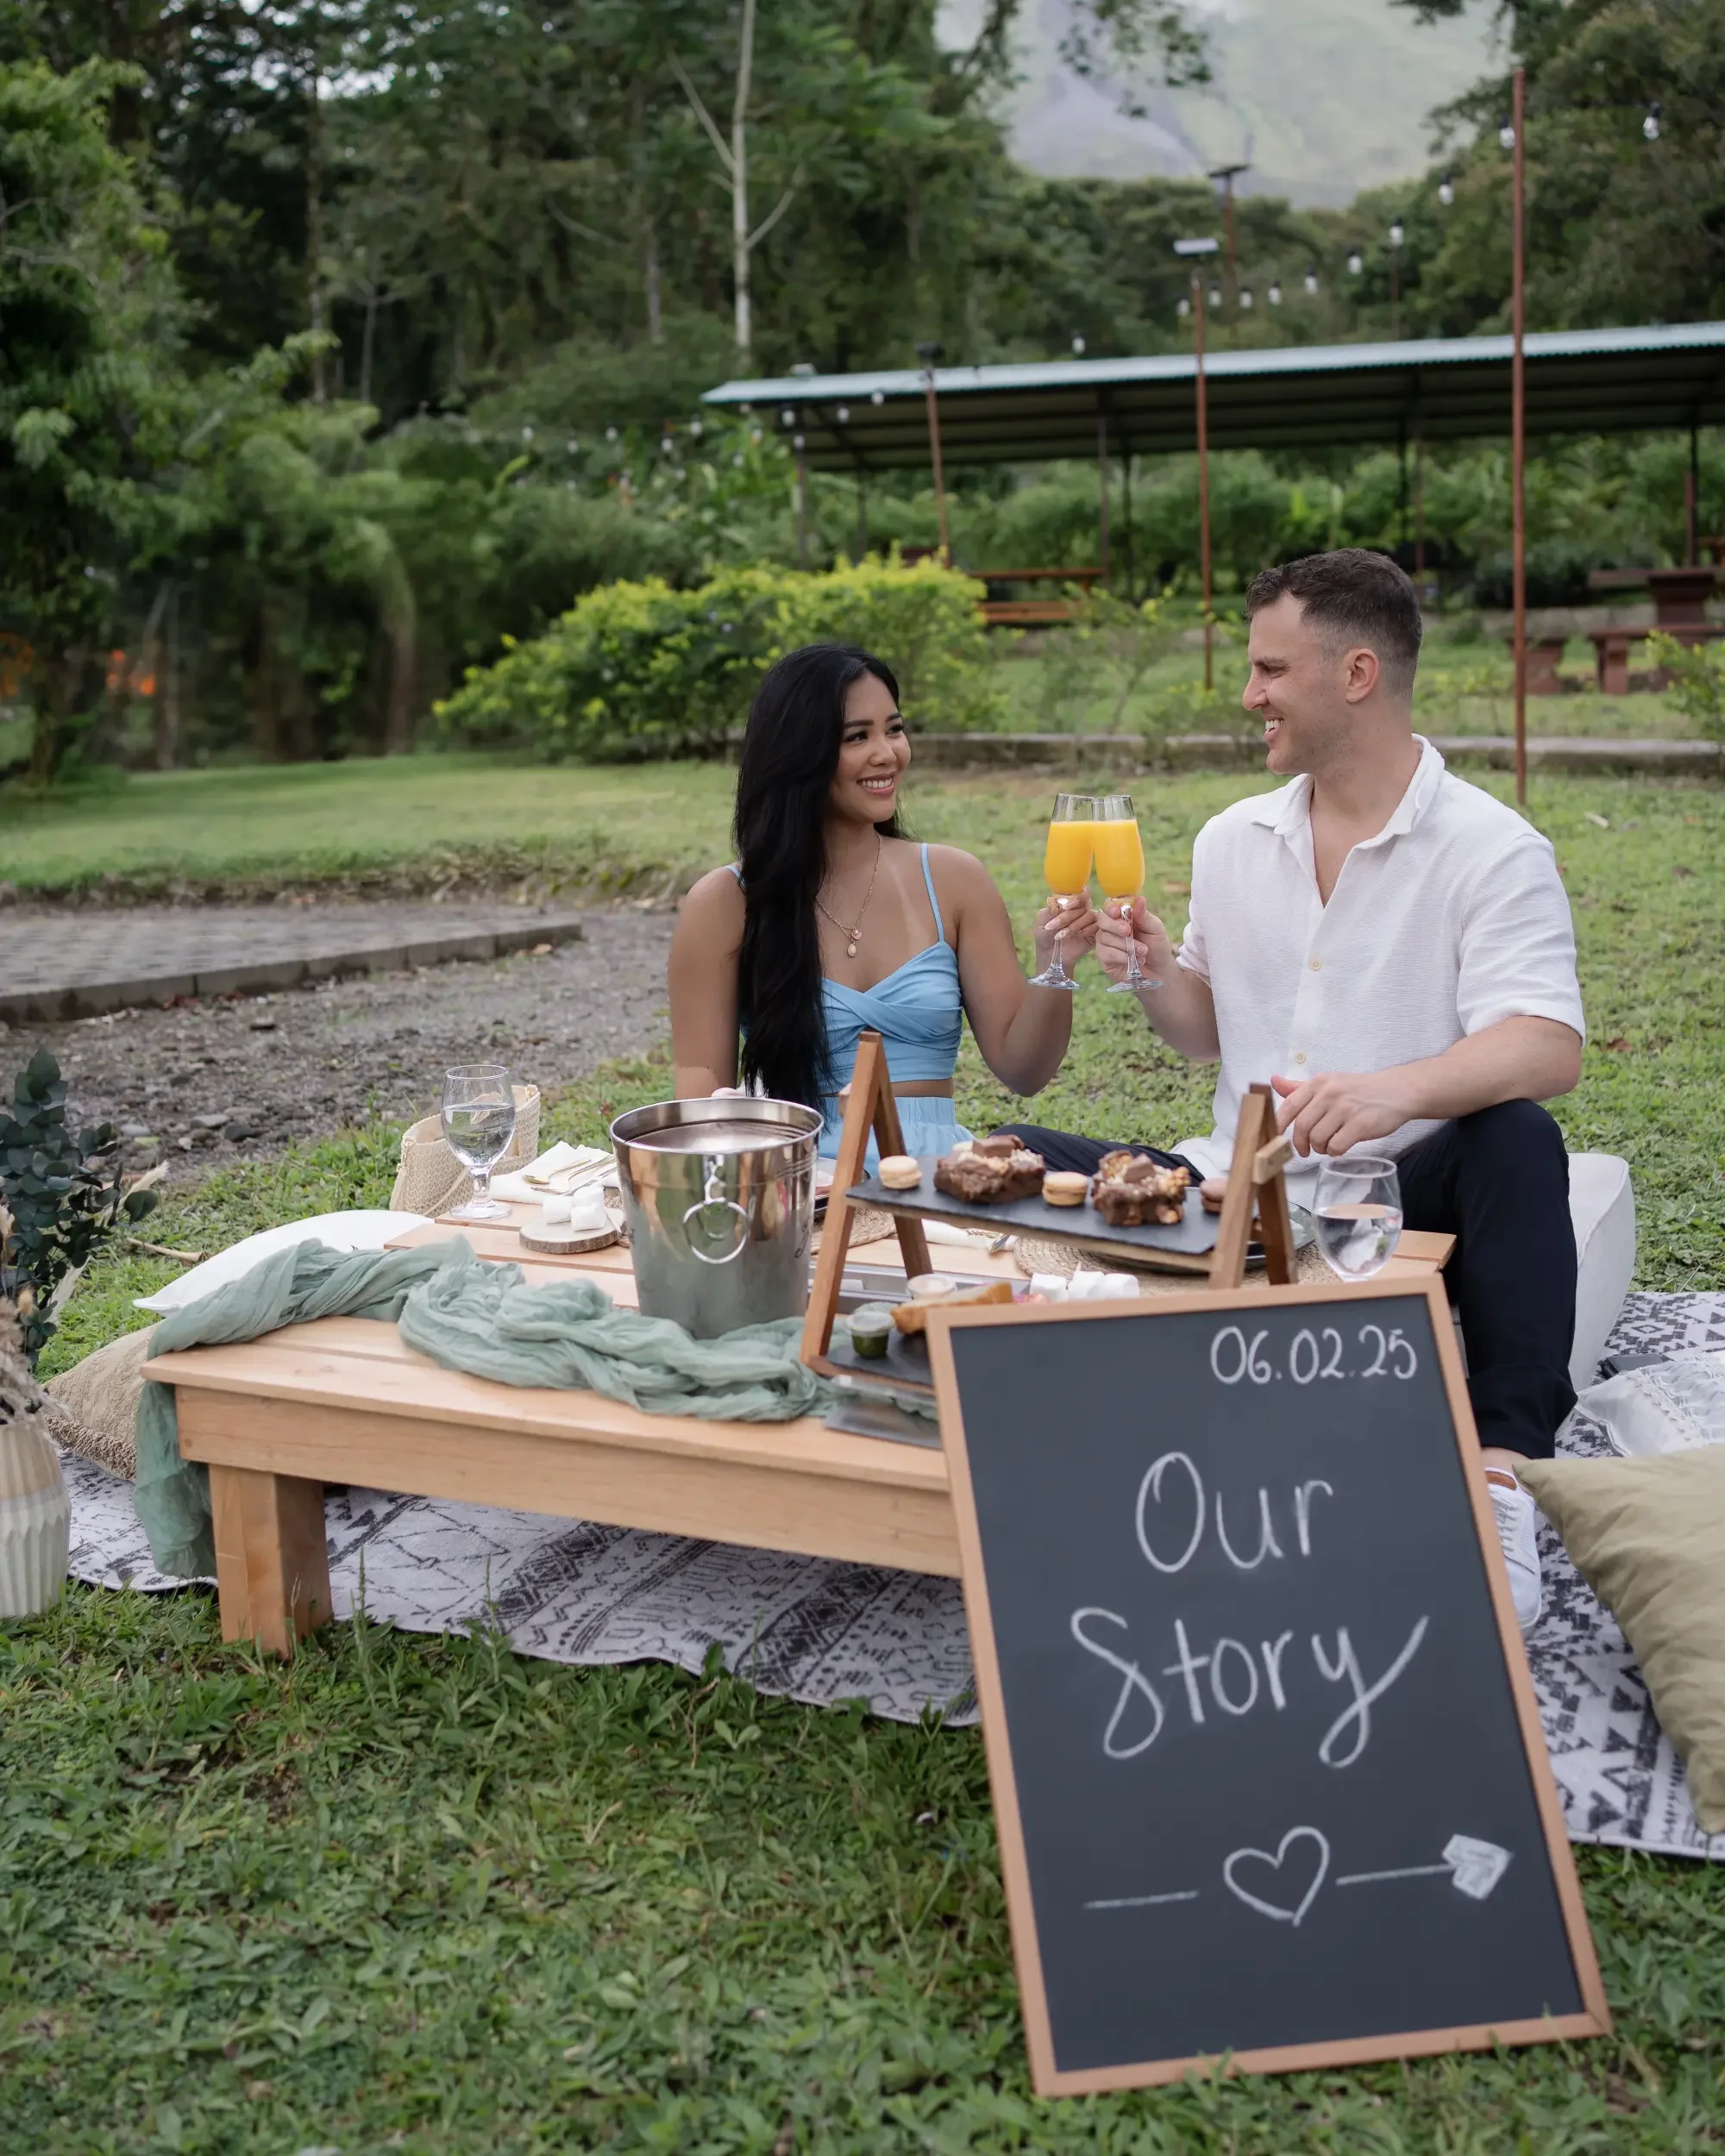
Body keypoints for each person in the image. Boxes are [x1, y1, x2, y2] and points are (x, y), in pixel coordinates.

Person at [999, 549, 1584, 1632]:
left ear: (1353, 674)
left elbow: (1547, 1042)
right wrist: (1156, 969)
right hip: (1235, 1191)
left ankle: (1501, 1476)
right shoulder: (1232, 838)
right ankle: (1024, 1402)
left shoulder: (1492, 851)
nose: (1247, 694)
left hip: (1395, 1195)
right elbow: (1203, 1032)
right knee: (1011, 1156)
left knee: (1516, 1137)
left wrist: (1390, 1092)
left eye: (1269, 669)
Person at [669, 641, 1098, 1164]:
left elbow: (1024, 1071)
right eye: (857, 737)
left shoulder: (954, 880)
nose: (888, 753)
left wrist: (1056, 965)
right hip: (797, 1179)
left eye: (894, 729)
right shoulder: (724, 902)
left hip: (930, 1182)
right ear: (797, 752)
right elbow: (702, 1100)